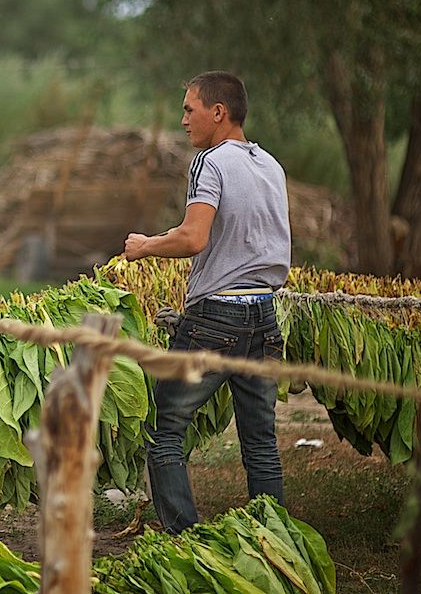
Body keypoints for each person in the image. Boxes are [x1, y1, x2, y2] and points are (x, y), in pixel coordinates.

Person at [123, 70, 289, 534]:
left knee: (163, 429)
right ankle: (273, 537)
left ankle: (184, 539)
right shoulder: (270, 166)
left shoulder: (211, 162)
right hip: (264, 316)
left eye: (189, 109)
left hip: (217, 318)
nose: (183, 121)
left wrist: (145, 246)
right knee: (260, 439)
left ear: (218, 113)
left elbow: (194, 237)